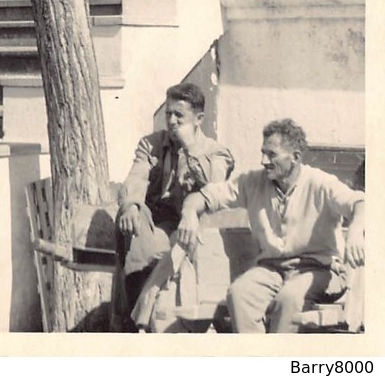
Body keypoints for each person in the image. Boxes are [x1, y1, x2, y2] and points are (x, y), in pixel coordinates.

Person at [176, 118, 365, 333]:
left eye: (271, 154)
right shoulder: (252, 182)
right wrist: (189, 213)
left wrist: (356, 231)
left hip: (319, 269)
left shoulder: (320, 183)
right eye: (262, 152)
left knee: (289, 298)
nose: (263, 160)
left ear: (295, 157)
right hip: (271, 269)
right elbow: (205, 196)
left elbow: (361, 203)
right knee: (239, 294)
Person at [110, 82, 234, 331]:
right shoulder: (151, 144)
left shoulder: (217, 152)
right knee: (135, 225)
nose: (172, 120)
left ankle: (140, 319)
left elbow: (215, 186)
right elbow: (136, 177)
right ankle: (133, 321)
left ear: (198, 119)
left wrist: (191, 148)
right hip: (159, 222)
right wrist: (131, 206)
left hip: (197, 228)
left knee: (149, 249)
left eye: (179, 115)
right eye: (168, 113)